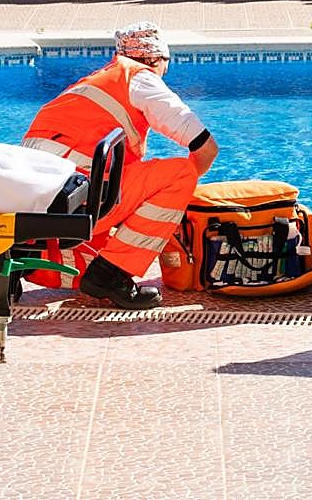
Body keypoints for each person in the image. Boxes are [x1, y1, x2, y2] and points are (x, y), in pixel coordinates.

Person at [22, 21, 219, 309]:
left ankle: (33, 262)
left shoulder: (91, 84)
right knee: (181, 173)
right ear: (155, 59)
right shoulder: (140, 78)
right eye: (166, 64)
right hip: (77, 198)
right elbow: (205, 148)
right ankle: (111, 275)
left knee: (105, 249)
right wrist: (176, 203)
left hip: (37, 205)